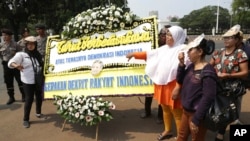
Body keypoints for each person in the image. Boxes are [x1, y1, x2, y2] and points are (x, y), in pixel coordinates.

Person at [126, 25, 186, 140]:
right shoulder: (163, 49)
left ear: (177, 36)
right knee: (165, 109)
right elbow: (149, 54)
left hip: (174, 86)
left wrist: (178, 86)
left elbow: (183, 70)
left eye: (170, 35)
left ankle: (180, 136)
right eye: (166, 35)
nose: (167, 38)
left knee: (177, 112)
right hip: (161, 85)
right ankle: (168, 130)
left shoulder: (183, 49)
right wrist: (134, 54)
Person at [209, 25, 248, 141]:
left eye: (229, 38)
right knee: (219, 109)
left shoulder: (240, 54)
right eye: (225, 38)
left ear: (236, 40)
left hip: (233, 89)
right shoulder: (217, 53)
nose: (226, 40)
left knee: (231, 111)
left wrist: (229, 75)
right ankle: (220, 128)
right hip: (218, 87)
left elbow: (245, 72)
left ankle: (222, 133)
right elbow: (209, 67)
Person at [176, 34, 217, 141]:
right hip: (186, 111)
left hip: (197, 113)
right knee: (181, 136)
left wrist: (197, 119)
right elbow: (180, 80)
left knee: (197, 139)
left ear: (200, 52)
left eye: (190, 50)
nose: (188, 53)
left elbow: (208, 97)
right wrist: (181, 64)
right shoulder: (191, 66)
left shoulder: (208, 71)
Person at [8, 36, 45, 128]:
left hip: (38, 80)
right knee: (29, 99)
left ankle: (38, 113)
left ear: (35, 45)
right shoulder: (21, 54)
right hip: (28, 81)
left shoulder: (38, 54)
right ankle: (26, 119)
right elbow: (10, 62)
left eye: (32, 44)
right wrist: (16, 65)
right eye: (28, 44)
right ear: (26, 45)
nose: (30, 46)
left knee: (39, 97)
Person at [140, 26, 172, 124]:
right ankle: (147, 111)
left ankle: (160, 116)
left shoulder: (171, 47)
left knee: (162, 96)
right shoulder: (153, 45)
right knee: (148, 93)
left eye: (167, 35)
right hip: (153, 71)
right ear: (159, 36)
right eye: (163, 35)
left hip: (163, 74)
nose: (164, 37)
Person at [0, 28, 25, 104]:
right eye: (3, 35)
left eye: (6, 35)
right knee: (8, 82)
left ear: (10, 36)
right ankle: (11, 97)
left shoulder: (16, 44)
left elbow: (20, 54)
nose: (4, 37)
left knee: (20, 80)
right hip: (6, 65)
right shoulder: (1, 45)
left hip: (15, 66)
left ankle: (24, 96)